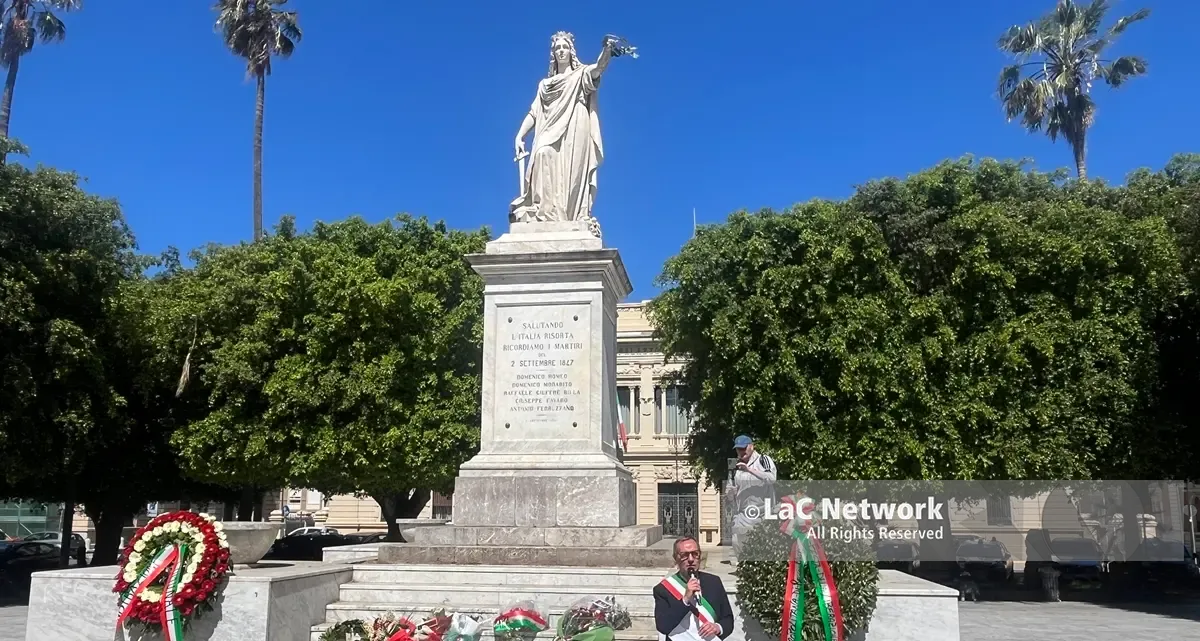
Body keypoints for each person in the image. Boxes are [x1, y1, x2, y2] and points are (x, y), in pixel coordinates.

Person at [511, 32, 625, 235]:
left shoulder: (580, 74)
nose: (561, 51)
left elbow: (598, 68)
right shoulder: (544, 85)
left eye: (564, 47)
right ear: (553, 54)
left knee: (573, 175)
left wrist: (607, 51)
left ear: (571, 51)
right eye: (557, 48)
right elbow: (534, 112)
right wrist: (520, 135)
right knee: (542, 153)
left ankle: (571, 216)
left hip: (576, 126)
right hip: (549, 128)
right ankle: (545, 213)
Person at [653, 537, 734, 641]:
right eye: (684, 555)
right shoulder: (663, 589)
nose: (691, 559)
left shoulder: (714, 582)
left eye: (695, 554)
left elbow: (728, 619)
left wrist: (718, 627)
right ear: (675, 558)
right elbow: (663, 626)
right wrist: (685, 599)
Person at [726, 435, 777, 557]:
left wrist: (749, 470)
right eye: (738, 449)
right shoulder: (734, 468)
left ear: (751, 446)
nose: (741, 451)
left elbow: (772, 478)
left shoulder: (763, 460)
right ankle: (744, 567)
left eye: (744, 448)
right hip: (744, 514)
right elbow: (729, 495)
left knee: (765, 549)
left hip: (765, 513)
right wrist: (730, 493)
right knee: (737, 542)